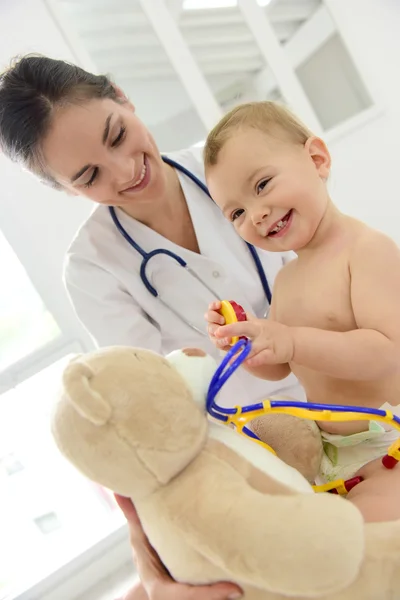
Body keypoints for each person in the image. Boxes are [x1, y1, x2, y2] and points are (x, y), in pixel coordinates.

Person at [0, 57, 301, 600]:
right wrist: (148, 561)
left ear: (121, 94)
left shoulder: (232, 166)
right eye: (88, 176)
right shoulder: (93, 266)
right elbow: (146, 416)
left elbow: (341, 266)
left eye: (117, 136)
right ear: (63, 188)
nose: (123, 173)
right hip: (242, 454)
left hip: (346, 389)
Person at [204, 101, 400, 524]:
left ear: (317, 159)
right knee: (300, 529)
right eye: (236, 212)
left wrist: (288, 338)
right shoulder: (287, 280)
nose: (255, 214)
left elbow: (386, 350)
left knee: (357, 538)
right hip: (334, 455)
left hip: (391, 445)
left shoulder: (366, 250)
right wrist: (251, 343)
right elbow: (284, 366)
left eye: (262, 185)